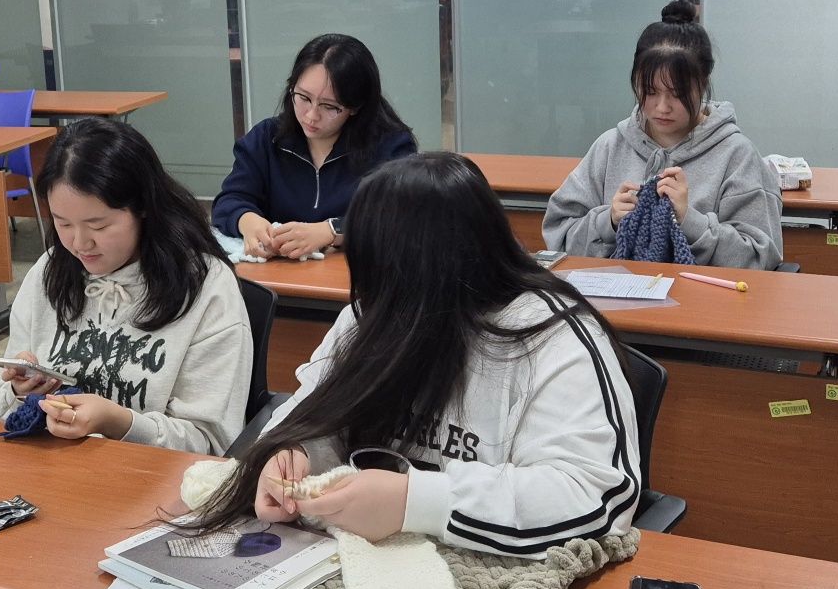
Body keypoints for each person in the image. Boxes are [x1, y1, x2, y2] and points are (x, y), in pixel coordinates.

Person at [195, 153, 640, 553]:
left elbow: (594, 495)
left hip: (492, 576)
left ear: (433, 271)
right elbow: (316, 406)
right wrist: (294, 453)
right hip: (379, 567)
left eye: (382, 274)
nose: (368, 297)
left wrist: (416, 501)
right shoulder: (374, 313)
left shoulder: (553, 338)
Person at [0, 117, 251, 455]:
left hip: (152, 477)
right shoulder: (50, 271)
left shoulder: (206, 287)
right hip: (48, 466)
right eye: (63, 223)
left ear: (142, 207)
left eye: (98, 225)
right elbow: (0, 409)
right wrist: (21, 391)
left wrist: (118, 423)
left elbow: (210, 444)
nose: (79, 243)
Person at [541, 0, 782, 268]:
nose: (662, 107)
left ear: (703, 84)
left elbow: (761, 258)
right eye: (650, 92)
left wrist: (690, 221)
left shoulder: (737, 155)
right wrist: (608, 222)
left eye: (677, 94)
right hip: (618, 292)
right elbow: (558, 236)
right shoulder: (609, 147)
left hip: (699, 295)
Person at [212, 33, 416, 260]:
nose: (311, 115)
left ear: (355, 107)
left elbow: (401, 216)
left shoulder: (390, 146)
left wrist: (332, 231)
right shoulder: (266, 138)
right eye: (303, 97)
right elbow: (230, 200)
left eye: (329, 106)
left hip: (356, 274)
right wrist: (247, 220)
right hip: (278, 274)